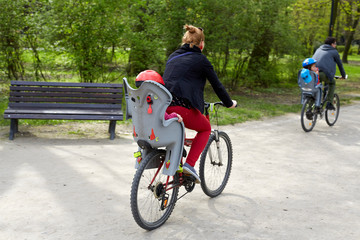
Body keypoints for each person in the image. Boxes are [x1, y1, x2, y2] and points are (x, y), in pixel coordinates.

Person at [163, 24, 237, 183]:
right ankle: (189, 165)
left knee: (180, 132)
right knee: (205, 128)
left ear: (184, 40)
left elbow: (179, 82)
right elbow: (217, 85)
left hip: (163, 107)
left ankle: (177, 164)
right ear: (201, 44)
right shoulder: (201, 60)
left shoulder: (172, 56)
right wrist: (229, 103)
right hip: (181, 108)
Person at [312, 37, 346, 110]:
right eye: (335, 43)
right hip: (324, 73)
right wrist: (343, 75)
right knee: (332, 83)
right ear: (332, 44)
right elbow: (340, 65)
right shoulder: (334, 52)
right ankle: (329, 103)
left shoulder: (318, 49)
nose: (336, 45)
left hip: (314, 73)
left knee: (317, 87)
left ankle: (310, 106)